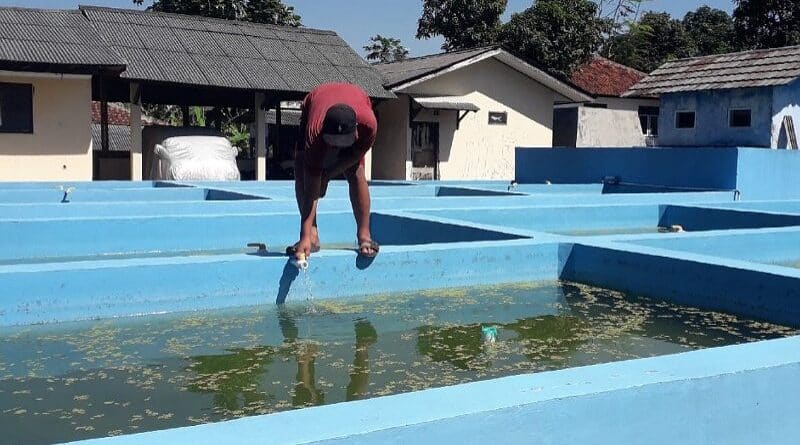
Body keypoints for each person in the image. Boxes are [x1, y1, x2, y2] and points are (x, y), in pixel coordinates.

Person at [288, 82, 380, 260]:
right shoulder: (314, 133)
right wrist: (304, 235)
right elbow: (312, 188)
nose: (335, 148)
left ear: (355, 134)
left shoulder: (368, 125)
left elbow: (354, 156)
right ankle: (312, 237)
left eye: (341, 144)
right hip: (316, 103)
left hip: (356, 100)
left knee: (356, 170)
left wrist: (328, 176)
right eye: (332, 143)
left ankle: (365, 235)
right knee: (302, 169)